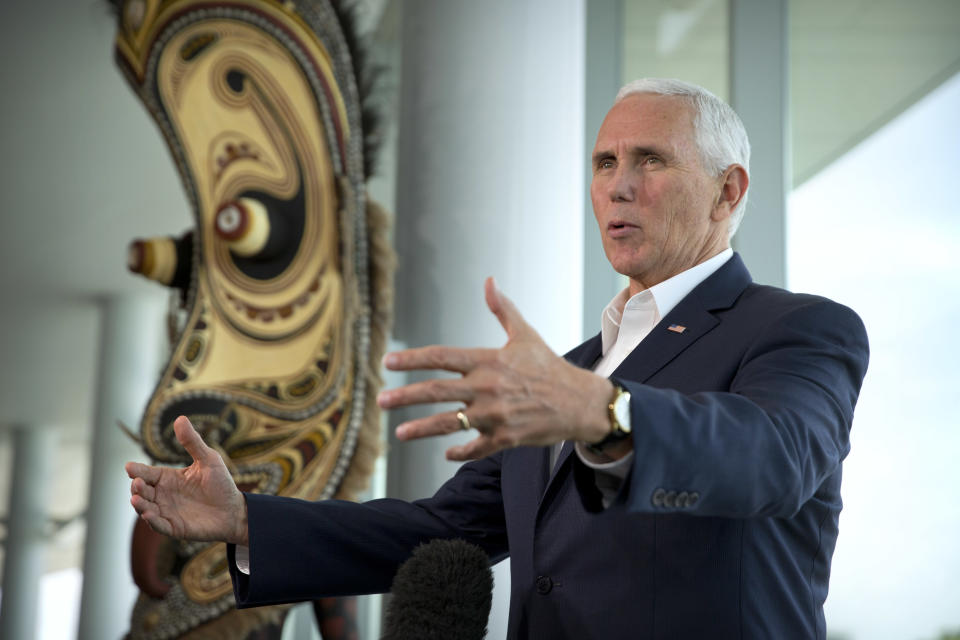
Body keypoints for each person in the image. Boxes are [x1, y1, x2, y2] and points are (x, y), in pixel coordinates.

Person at [127, 78, 869, 639]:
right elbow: (437, 532)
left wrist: (598, 409)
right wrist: (247, 522)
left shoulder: (799, 329)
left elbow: (775, 457)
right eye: (605, 160)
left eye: (652, 161)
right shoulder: (573, 371)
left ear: (726, 192)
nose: (619, 184)